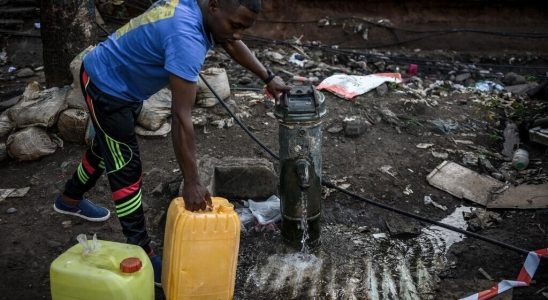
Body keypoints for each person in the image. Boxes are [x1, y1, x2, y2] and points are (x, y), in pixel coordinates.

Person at [52, 0, 288, 286]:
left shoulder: (202, 11)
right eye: (236, 25)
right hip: (107, 83)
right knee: (126, 164)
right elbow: (180, 116)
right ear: (214, 7)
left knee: (106, 147)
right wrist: (192, 181)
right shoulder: (185, 38)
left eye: (243, 28)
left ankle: (69, 199)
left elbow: (229, 40)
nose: (238, 34)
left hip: (123, 81)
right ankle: (140, 249)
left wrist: (268, 76)